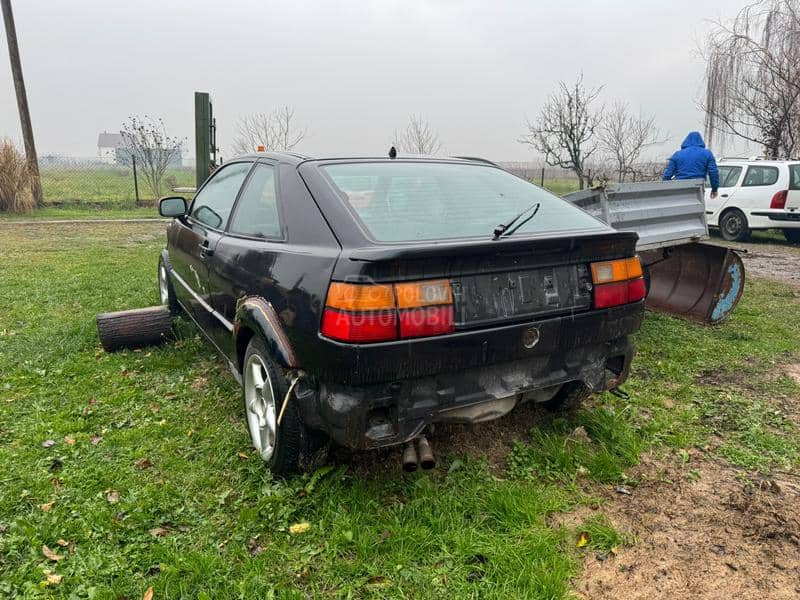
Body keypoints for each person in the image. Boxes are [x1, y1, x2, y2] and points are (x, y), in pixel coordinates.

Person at [662, 131, 719, 199]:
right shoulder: (707, 154)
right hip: (698, 187)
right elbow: (713, 172)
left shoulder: (677, 154)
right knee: (697, 208)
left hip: (679, 187)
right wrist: (714, 189)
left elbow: (668, 174)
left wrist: (666, 189)